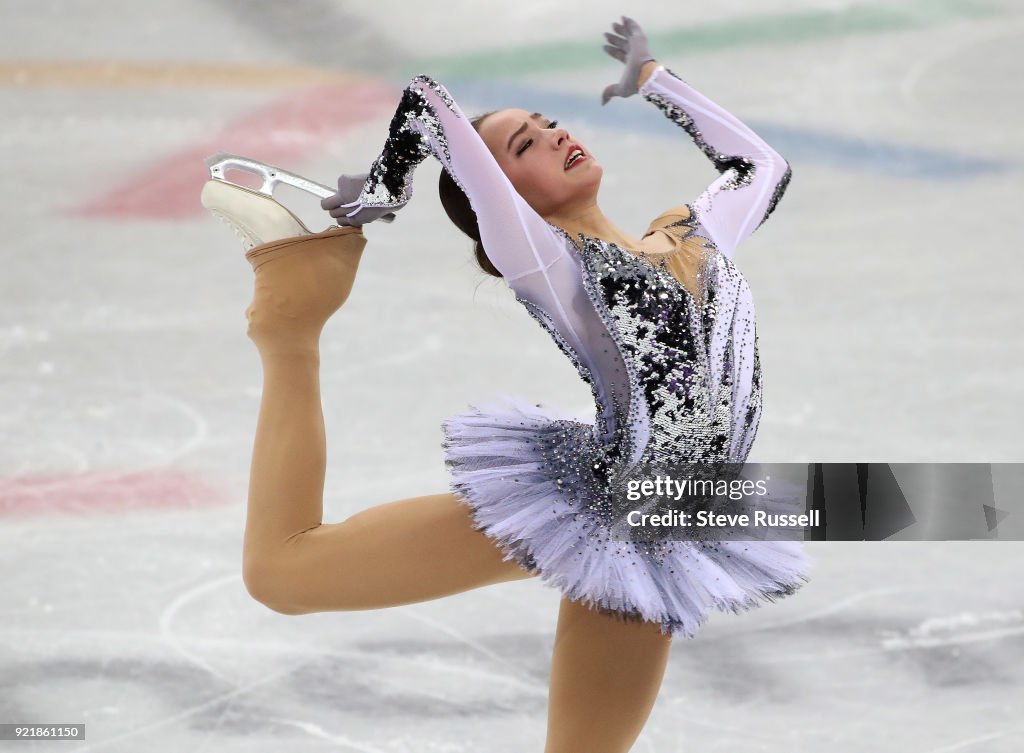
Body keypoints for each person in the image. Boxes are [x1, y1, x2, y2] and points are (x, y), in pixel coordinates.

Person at [202, 16, 809, 753]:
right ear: (506, 207)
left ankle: (302, 280)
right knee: (281, 572)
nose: (555, 135)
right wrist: (390, 186)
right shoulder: (549, 261)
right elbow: (426, 102)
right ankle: (290, 328)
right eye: (526, 145)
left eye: (548, 124)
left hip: (672, 510)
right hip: (619, 520)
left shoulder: (690, 230)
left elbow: (762, 167)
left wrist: (655, 81)